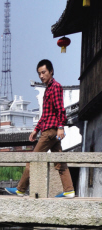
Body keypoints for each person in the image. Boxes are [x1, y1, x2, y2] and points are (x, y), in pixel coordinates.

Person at [6, 59, 75, 198]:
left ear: (51, 71)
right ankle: (69, 190)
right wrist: (36, 129)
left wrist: (61, 127)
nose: (41, 76)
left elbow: (60, 109)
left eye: (44, 72)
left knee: (34, 159)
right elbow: (46, 114)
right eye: (39, 74)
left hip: (50, 131)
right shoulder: (48, 89)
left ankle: (21, 189)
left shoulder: (55, 87)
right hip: (50, 130)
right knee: (59, 161)